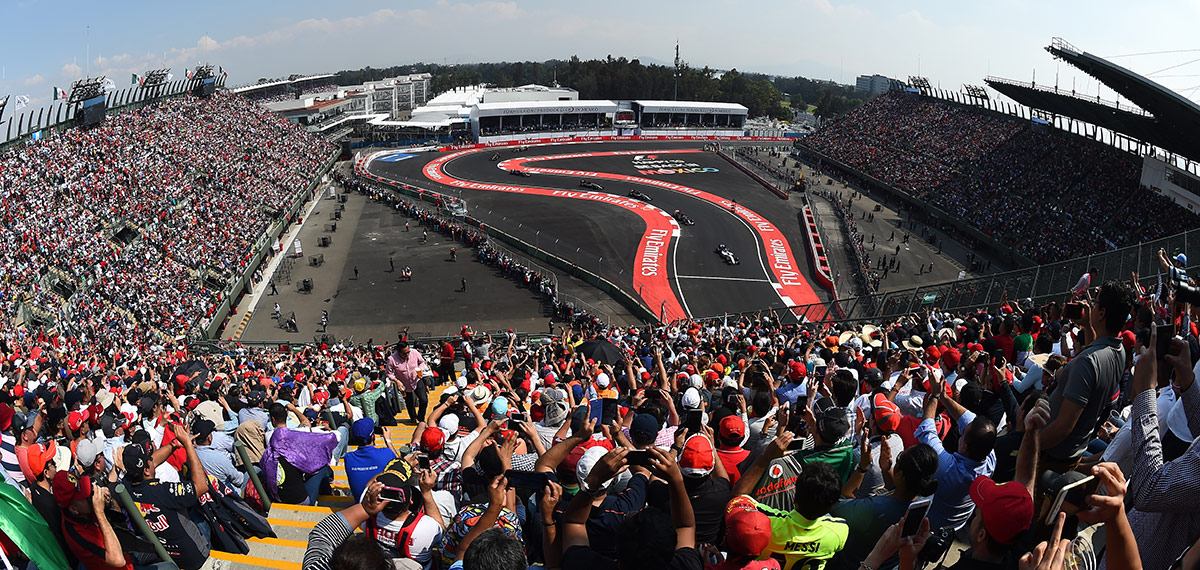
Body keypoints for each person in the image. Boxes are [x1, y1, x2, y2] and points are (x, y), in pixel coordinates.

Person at [562, 447, 703, 570]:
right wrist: (676, 479)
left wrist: (593, 480)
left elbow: (574, 522)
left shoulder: (584, 564)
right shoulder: (686, 565)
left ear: (617, 547)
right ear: (672, 549)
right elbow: (685, 526)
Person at [1041, 281, 1129, 472]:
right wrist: (1089, 326)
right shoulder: (1119, 350)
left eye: (1095, 303)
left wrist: (1030, 442)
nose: (1092, 306)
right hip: (1074, 451)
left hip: (1051, 455)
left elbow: (1063, 427)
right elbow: (1095, 354)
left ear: (1102, 312)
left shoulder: (1086, 363)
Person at [731, 432, 848, 570]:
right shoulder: (839, 531)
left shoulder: (767, 525)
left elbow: (737, 498)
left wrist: (766, 457)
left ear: (795, 497)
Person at [829, 444, 939, 570]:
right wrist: (887, 470)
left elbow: (838, 506)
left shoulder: (874, 509)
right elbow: (902, 494)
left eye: (899, 457)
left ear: (900, 474)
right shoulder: (926, 495)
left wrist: (862, 467)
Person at [122, 424, 212, 570]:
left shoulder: (127, 485)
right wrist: (188, 445)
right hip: (194, 557)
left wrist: (174, 444)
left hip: (166, 553)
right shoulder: (163, 491)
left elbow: (154, 460)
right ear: (146, 470)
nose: (153, 459)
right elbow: (201, 486)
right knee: (202, 518)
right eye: (149, 459)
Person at [52, 471, 133, 570]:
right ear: (74, 509)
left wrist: (110, 503)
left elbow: (121, 520)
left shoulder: (84, 511)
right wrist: (100, 513)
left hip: (128, 555)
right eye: (85, 496)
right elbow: (118, 560)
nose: (91, 496)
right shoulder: (76, 533)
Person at [343, 418, 397, 502]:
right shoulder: (386, 453)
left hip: (361, 505)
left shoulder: (348, 458)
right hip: (382, 506)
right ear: (373, 436)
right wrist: (388, 440)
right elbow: (401, 463)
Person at [191, 418, 248, 496]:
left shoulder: (190, 454)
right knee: (254, 471)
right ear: (209, 437)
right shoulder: (219, 457)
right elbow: (238, 480)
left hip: (207, 494)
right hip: (228, 495)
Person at [386, 341, 430, 425]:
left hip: (416, 379)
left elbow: (421, 362)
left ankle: (421, 418)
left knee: (424, 399)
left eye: (408, 352)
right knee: (409, 402)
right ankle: (413, 417)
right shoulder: (391, 359)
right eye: (405, 353)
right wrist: (396, 381)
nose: (407, 354)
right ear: (399, 352)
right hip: (403, 383)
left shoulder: (414, 352)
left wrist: (420, 369)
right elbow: (388, 373)